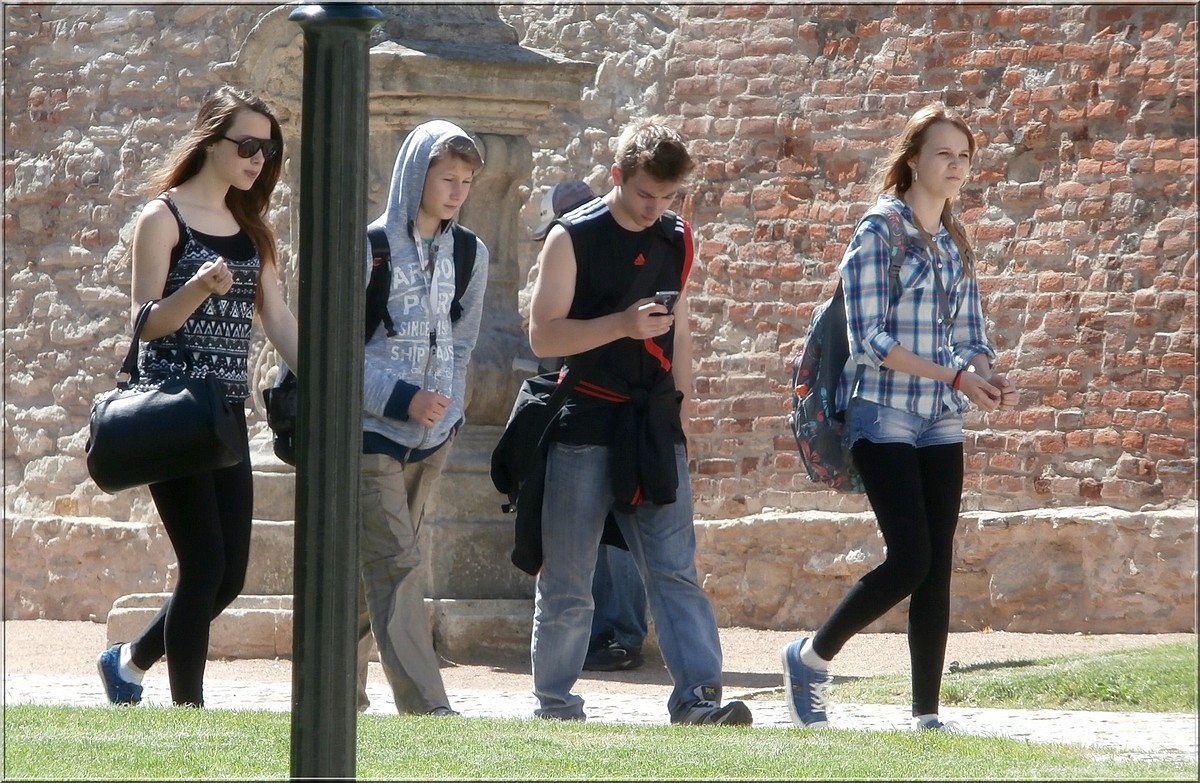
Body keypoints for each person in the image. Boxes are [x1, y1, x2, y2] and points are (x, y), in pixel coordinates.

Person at [781, 103, 1019, 732]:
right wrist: (955, 376)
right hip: (882, 411)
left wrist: (983, 372)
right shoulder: (878, 230)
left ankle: (926, 715)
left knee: (936, 565)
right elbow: (870, 340)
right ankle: (809, 658)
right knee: (910, 558)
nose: (956, 166)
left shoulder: (956, 240)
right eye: (944, 153)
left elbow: (969, 332)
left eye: (964, 156)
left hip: (940, 417)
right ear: (913, 159)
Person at [526, 118, 752, 725]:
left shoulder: (676, 237)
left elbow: (681, 329)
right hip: (585, 418)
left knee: (675, 572)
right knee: (569, 579)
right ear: (617, 176)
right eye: (645, 194)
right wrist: (622, 325)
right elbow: (544, 336)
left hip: (652, 422)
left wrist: (682, 412)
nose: (656, 209)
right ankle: (555, 707)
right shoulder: (571, 237)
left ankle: (699, 700)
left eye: (668, 197)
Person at [96, 86, 299, 708]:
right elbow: (145, 322)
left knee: (229, 576)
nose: (258, 159)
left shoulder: (252, 230)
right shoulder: (163, 218)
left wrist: (328, 384)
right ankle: (189, 710)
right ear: (211, 141)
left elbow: (278, 320)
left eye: (268, 149)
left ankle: (128, 662)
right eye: (247, 145)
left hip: (226, 416)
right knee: (205, 566)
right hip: (173, 412)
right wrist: (199, 289)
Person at [355, 120, 488, 717]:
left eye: (467, 182)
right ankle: (427, 705)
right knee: (399, 564)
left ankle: (337, 693)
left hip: (432, 438)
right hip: (370, 431)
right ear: (416, 176)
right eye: (446, 178)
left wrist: (447, 412)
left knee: (375, 568)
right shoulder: (368, 247)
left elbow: (462, 345)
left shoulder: (472, 253)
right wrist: (401, 398)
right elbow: (335, 352)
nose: (457, 192)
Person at [531, 179, 650, 674]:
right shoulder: (584, 250)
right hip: (589, 408)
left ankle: (619, 632)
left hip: (622, 409)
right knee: (593, 537)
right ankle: (602, 636)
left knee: (620, 529)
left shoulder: (609, 251)